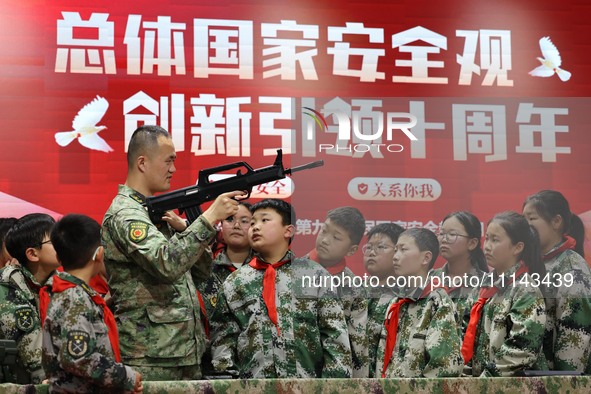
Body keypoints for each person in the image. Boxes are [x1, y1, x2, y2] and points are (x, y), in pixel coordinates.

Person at [101, 125, 244, 381]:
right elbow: (167, 264)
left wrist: (189, 228)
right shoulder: (126, 214)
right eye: (169, 160)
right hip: (151, 356)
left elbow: (200, 272)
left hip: (181, 352)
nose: (173, 169)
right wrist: (210, 217)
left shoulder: (153, 212)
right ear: (142, 163)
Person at [210, 198, 352, 378]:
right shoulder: (235, 282)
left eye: (264, 220)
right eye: (252, 222)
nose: (255, 227)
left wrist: (333, 386)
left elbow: (334, 337)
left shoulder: (315, 276)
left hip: (306, 388)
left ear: (288, 230)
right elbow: (223, 340)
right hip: (253, 389)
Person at [42, 214, 142, 393]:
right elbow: (79, 358)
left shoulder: (72, 293)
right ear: (100, 254)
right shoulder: (75, 299)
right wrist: (125, 376)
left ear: (58, 257)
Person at [462, 211, 547, 377]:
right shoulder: (482, 286)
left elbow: (522, 348)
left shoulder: (525, 289)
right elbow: (465, 333)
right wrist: (465, 377)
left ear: (517, 247)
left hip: (512, 385)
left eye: (495, 240)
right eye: (486, 238)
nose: (487, 246)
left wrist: (483, 382)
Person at [376, 228, 463, 378]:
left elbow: (443, 368)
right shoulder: (396, 303)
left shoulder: (437, 301)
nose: (395, 257)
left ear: (425, 258)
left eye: (403, 250)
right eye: (395, 250)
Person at [523, 190, 591, 373]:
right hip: (532, 377)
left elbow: (575, 335)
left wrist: (563, 382)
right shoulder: (531, 264)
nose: (526, 226)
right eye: (524, 220)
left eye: (532, 218)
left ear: (556, 221)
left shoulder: (571, 267)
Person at [305, 206, 369, 377]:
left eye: (336, 237)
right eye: (324, 231)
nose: (325, 240)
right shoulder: (290, 272)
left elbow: (358, 345)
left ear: (352, 250)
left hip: (332, 378)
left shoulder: (355, 289)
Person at [195, 201, 253, 375]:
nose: (236, 225)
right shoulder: (203, 269)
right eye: (229, 219)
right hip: (209, 364)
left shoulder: (266, 270)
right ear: (220, 224)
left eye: (244, 221)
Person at [0, 213, 58, 383]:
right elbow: (31, 350)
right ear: (33, 254)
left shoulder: (57, 282)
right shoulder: (8, 287)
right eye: (54, 239)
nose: (63, 243)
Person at [431, 211, 488, 333]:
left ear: (472, 243)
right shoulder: (428, 280)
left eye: (452, 234)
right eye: (441, 233)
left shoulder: (487, 285)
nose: (444, 239)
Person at [363, 222, 404, 378]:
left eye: (380, 247)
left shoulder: (408, 296)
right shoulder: (353, 292)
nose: (371, 252)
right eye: (368, 247)